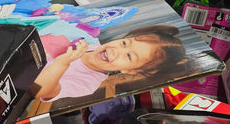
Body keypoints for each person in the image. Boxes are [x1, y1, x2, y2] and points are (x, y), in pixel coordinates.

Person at [34, 25, 186, 103]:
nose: (115, 50)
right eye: (124, 43)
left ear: (131, 71)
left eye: (128, 56)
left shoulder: (88, 84)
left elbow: (39, 90)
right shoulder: (89, 39)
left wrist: (62, 63)